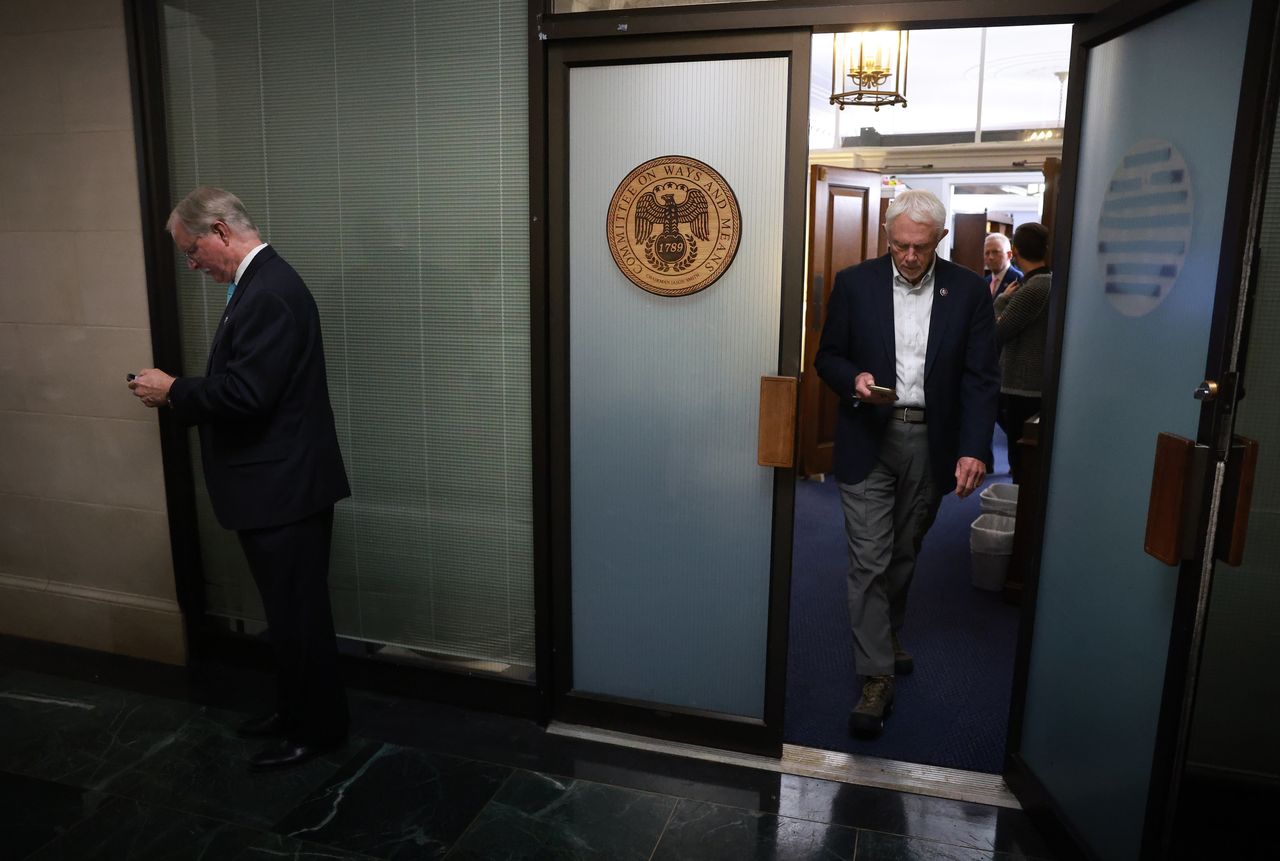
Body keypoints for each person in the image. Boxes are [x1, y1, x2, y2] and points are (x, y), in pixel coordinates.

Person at [129, 186, 351, 771]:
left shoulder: (269, 291)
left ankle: (318, 730)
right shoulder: (258, 284)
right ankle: (294, 712)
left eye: (192, 250)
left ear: (221, 231)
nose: (191, 264)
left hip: (285, 490)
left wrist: (173, 390)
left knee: (299, 616)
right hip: (279, 486)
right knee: (287, 613)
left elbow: (248, 395)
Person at [815, 189, 999, 738]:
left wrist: (974, 447)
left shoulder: (968, 291)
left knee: (903, 551)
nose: (910, 256)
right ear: (887, 236)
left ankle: (886, 631)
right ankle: (876, 675)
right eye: (900, 245)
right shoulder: (855, 283)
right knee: (868, 559)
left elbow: (980, 377)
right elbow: (828, 356)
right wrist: (853, 379)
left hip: (931, 440)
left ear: (940, 238)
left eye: (921, 246)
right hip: (868, 435)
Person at [994, 222, 1052, 483]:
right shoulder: (1046, 282)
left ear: (1014, 251)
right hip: (1032, 383)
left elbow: (998, 331)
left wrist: (1002, 300)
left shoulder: (1034, 287)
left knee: (1020, 459)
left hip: (1023, 385)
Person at [983, 232, 1021, 299]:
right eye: (987, 253)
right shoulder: (985, 282)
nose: (990, 257)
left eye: (995, 252)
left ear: (1009, 255)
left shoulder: (1019, 279)